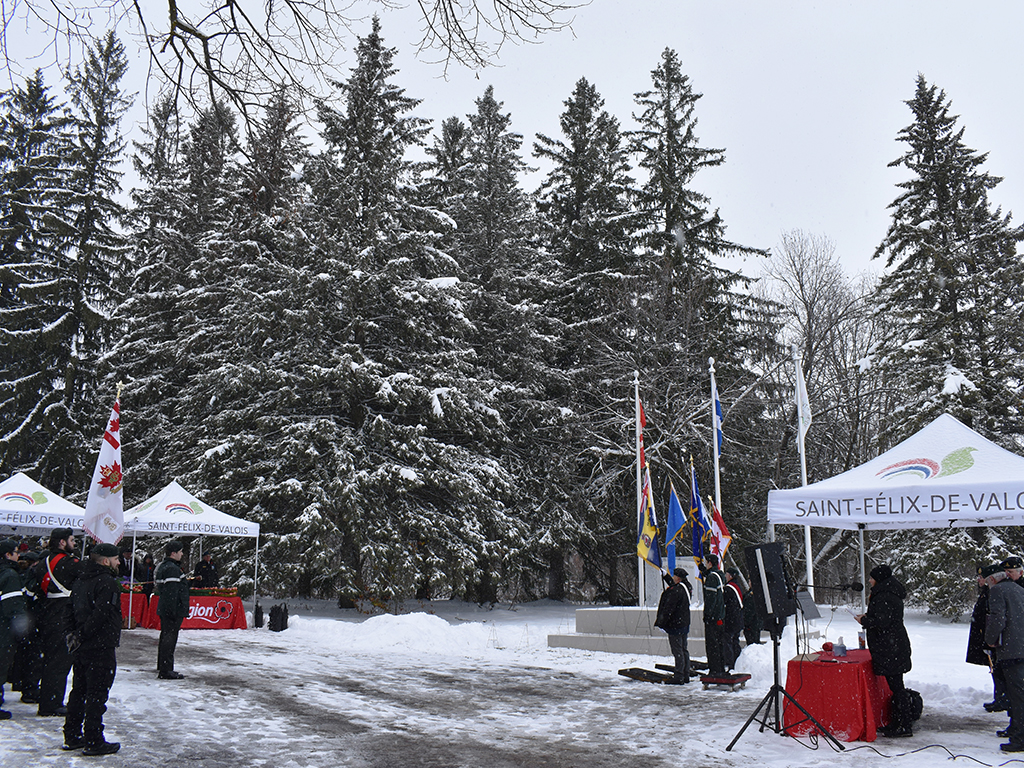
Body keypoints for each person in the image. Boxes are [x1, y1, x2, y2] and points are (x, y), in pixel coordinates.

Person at [62, 542, 122, 755]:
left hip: (83, 646)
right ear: (106, 561)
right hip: (100, 645)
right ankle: (93, 739)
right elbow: (101, 614)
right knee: (96, 694)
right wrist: (82, 634)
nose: (119, 562)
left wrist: (74, 635)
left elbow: (69, 609)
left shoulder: (81, 580)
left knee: (79, 690)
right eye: (116, 559)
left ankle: (72, 734)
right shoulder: (106, 582)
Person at [856, 564, 913, 737]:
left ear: (879, 579)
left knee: (897, 687)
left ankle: (904, 724)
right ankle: (898, 721)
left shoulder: (884, 595)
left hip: (891, 646)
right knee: (896, 685)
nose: (870, 581)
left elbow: (883, 622)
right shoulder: (888, 592)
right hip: (893, 644)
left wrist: (865, 621)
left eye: (872, 578)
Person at [31, 527, 81, 716]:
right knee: (59, 663)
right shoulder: (68, 563)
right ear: (62, 542)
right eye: (71, 540)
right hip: (62, 615)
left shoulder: (43, 562)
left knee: (50, 660)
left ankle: (47, 698)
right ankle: (51, 703)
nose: (74, 543)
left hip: (47, 614)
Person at [986, 565, 1024, 753]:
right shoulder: (1019, 590)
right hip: (1021, 646)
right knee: (1019, 694)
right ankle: (1017, 730)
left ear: (993, 579)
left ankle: (1020, 737)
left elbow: (997, 618)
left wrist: (990, 640)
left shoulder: (998, 591)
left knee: (1017, 695)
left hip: (1011, 649)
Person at [969, 564, 1008, 712]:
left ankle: (1003, 699)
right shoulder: (987, 591)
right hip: (987, 636)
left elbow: (994, 617)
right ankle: (1000, 698)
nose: (979, 580)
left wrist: (990, 639)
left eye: (981, 577)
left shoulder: (995, 592)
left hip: (996, 640)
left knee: (999, 670)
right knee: (995, 669)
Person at [155, 540, 190, 679]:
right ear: (173, 553)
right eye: (180, 551)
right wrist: (173, 611)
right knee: (169, 639)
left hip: (168, 609)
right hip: (171, 611)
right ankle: (166, 669)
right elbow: (171, 592)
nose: (182, 554)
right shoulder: (171, 569)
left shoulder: (167, 567)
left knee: (166, 637)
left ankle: (163, 665)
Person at [1, 539, 27, 720]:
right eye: (16, 552)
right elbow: (13, 606)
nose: (18, 555)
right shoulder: (10, 575)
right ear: (7, 555)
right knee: (2, 663)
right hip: (3, 628)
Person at [654, 567, 692, 683]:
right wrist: (665, 576)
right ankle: (685, 674)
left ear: (678, 578)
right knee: (684, 649)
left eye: (674, 576)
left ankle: (679, 676)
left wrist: (661, 623)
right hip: (684, 623)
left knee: (677, 651)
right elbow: (675, 585)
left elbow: (668, 608)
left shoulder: (676, 591)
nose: (673, 577)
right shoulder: (686, 587)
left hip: (675, 625)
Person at [700, 554, 727, 677]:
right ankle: (720, 668)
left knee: (712, 645)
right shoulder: (720, 575)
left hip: (713, 617)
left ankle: (714, 670)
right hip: (721, 615)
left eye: (706, 562)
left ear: (710, 563)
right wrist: (704, 572)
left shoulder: (711, 578)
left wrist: (707, 615)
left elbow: (711, 599)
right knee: (720, 644)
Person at [723, 567, 744, 671]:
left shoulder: (728, 588)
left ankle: (730, 663)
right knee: (735, 641)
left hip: (731, 619)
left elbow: (724, 602)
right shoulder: (738, 586)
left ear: (730, 576)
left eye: (726, 574)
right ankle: (737, 660)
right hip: (738, 619)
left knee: (728, 641)